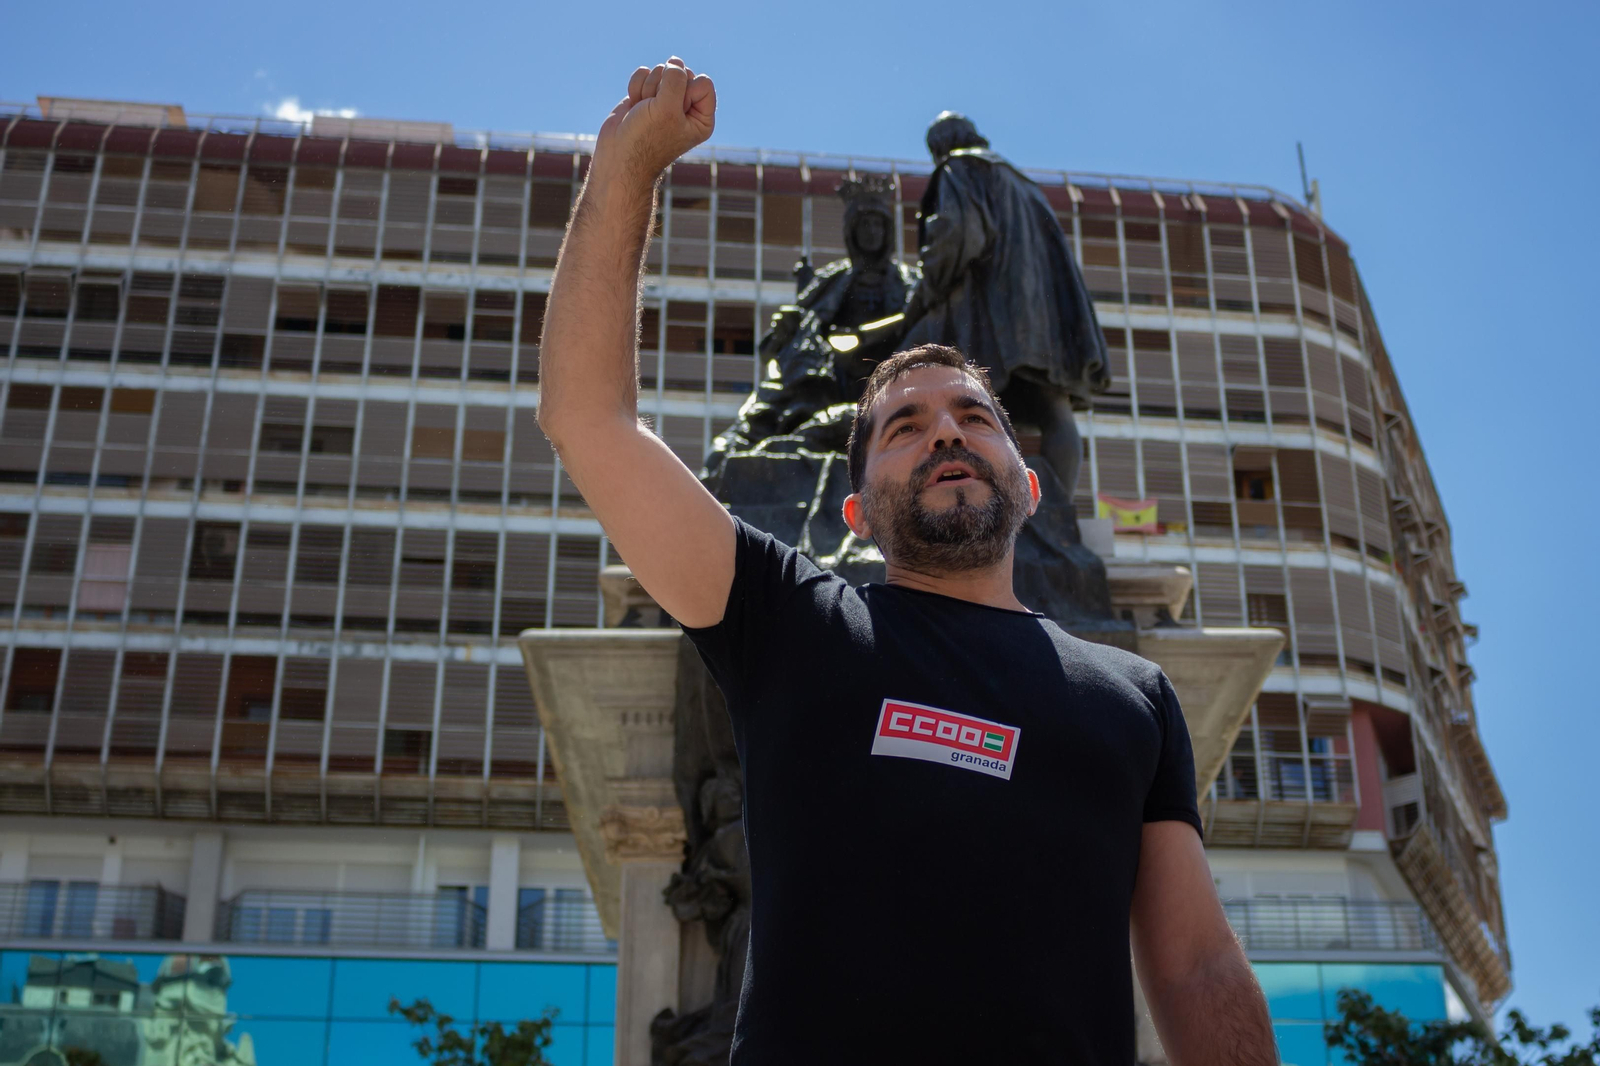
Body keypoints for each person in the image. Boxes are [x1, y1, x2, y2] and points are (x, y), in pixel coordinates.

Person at [537, 57, 1277, 1066]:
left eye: (975, 416)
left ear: (1027, 483)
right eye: (904, 427)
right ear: (855, 509)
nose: (946, 433)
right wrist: (629, 168)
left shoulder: (1136, 698)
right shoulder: (791, 621)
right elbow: (589, 420)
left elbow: (1197, 967)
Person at [900, 111, 1111, 500]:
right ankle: (1056, 512)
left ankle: (947, 498)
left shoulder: (961, 168)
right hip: (1043, 316)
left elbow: (956, 236)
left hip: (993, 313)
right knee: (1053, 409)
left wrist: (922, 297)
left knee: (932, 387)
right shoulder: (1025, 184)